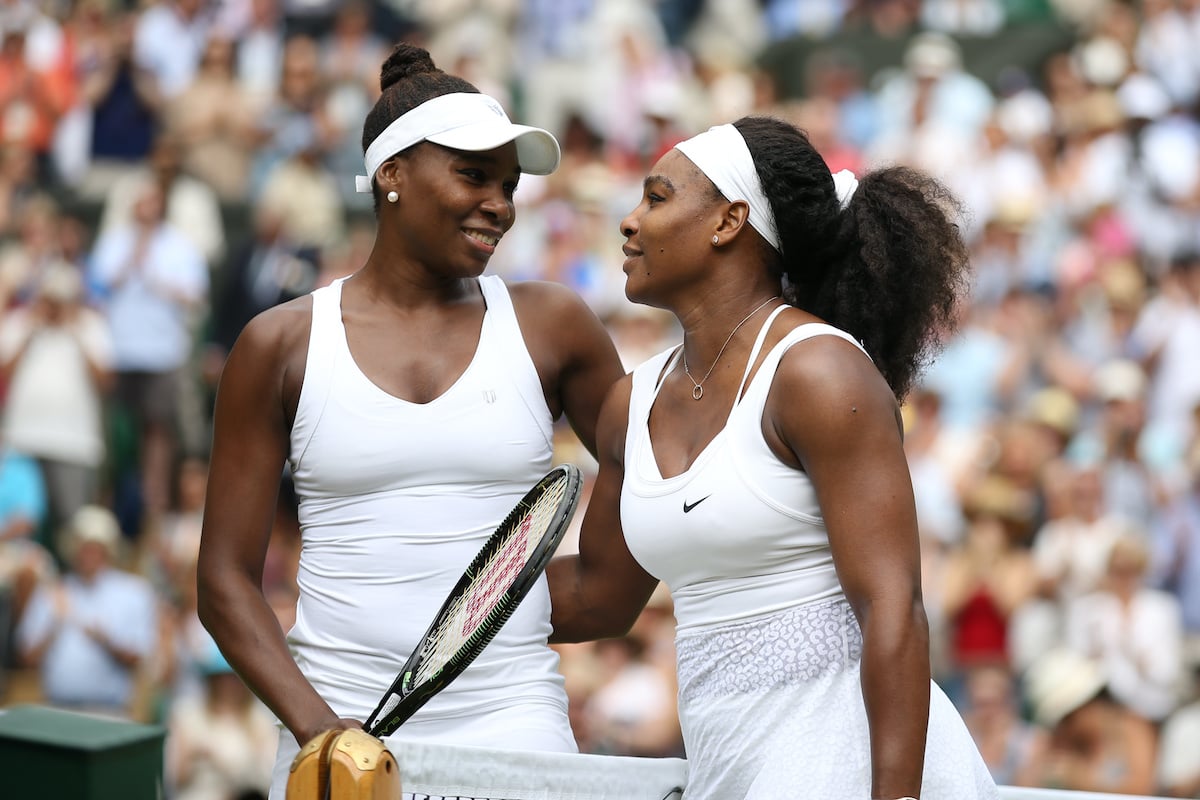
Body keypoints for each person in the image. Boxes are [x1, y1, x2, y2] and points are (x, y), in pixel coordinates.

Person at [195, 43, 625, 800]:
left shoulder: (554, 324)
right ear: (390, 174)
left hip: (515, 720)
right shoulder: (280, 344)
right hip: (330, 721)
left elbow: (647, 464)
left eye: (509, 185)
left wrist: (582, 594)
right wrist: (322, 733)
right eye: (473, 175)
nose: (500, 202)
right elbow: (225, 581)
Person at [547, 116, 998, 799]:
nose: (629, 221)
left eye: (658, 197)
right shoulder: (627, 404)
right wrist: (422, 593)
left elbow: (893, 606)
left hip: (856, 764)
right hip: (731, 769)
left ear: (729, 221)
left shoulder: (819, 374)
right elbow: (598, 598)